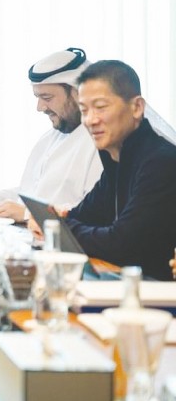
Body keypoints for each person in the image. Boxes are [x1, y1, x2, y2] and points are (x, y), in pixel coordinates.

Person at [62, 60, 176, 281]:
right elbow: (82, 216)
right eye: (84, 110)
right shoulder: (117, 158)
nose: (90, 120)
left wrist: (59, 227)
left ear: (137, 107)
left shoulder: (161, 161)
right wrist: (61, 224)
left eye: (100, 107)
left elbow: (121, 244)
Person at [0, 48, 102, 222]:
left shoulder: (101, 142)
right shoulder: (50, 138)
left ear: (78, 94)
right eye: (38, 98)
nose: (40, 107)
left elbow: (94, 213)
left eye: (47, 98)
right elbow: (31, 192)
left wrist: (29, 215)